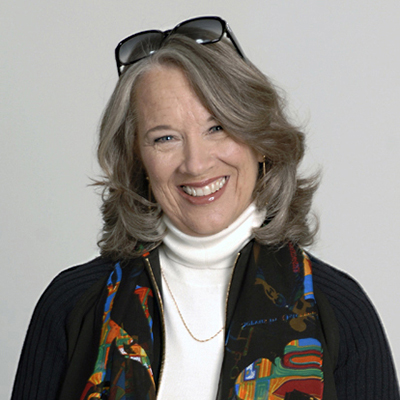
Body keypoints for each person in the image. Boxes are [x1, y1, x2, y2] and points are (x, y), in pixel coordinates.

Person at [12, 16, 399, 400]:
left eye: (218, 128)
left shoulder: (337, 310)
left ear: (260, 140)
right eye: (165, 138)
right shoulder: (74, 306)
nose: (195, 164)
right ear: (138, 161)